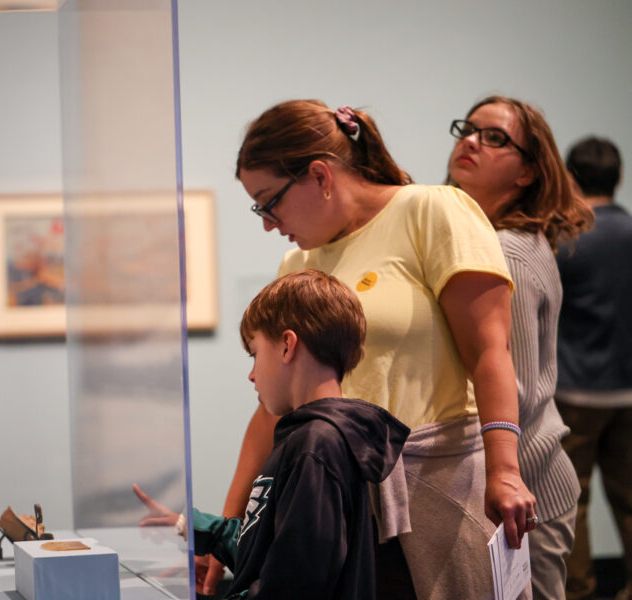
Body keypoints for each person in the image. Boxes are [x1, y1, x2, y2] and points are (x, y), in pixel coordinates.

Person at [217, 99, 537, 600]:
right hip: (339, 510)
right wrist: (231, 522)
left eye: (268, 201)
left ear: (320, 176)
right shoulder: (297, 263)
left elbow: (490, 354)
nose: (267, 222)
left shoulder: (432, 210)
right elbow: (273, 410)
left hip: (438, 492)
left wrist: (505, 470)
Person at [135, 269, 409, 599]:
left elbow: (294, 584)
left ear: (286, 346)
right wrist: (187, 525)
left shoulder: (317, 447)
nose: (251, 374)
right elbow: (266, 551)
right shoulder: (304, 438)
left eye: (254, 353)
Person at [446, 95, 592, 600]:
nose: (471, 141)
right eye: (469, 129)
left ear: (527, 173)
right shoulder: (480, 238)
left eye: (494, 137)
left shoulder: (506, 249)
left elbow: (520, 390)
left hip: (526, 491)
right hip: (510, 490)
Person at [554, 137, 632, 600]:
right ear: (619, 176)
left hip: (576, 392)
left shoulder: (568, 240)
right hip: (629, 391)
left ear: (570, 178)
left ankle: (578, 592)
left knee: (572, 502)